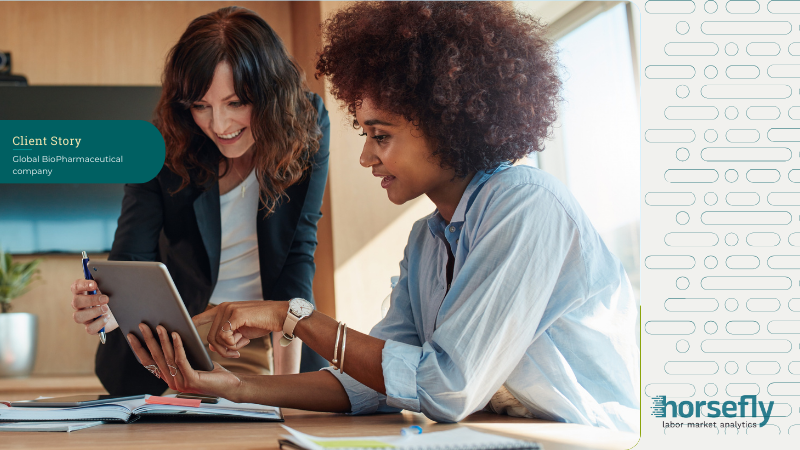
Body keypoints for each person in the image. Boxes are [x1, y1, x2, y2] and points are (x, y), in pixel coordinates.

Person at [123, 1, 639, 431]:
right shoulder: (427, 242)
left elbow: (444, 386)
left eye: (381, 136)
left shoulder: (526, 206)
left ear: (445, 122)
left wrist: (291, 316)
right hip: (498, 432)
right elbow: (372, 382)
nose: (366, 157)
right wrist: (238, 389)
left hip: (582, 436)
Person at [69, 6, 330, 396]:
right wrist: (107, 308)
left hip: (272, 338)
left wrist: (287, 390)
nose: (219, 126)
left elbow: (298, 254)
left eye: (237, 102)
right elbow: (131, 261)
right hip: (178, 345)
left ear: (271, 93)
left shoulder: (306, 124)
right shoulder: (160, 145)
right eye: (201, 106)